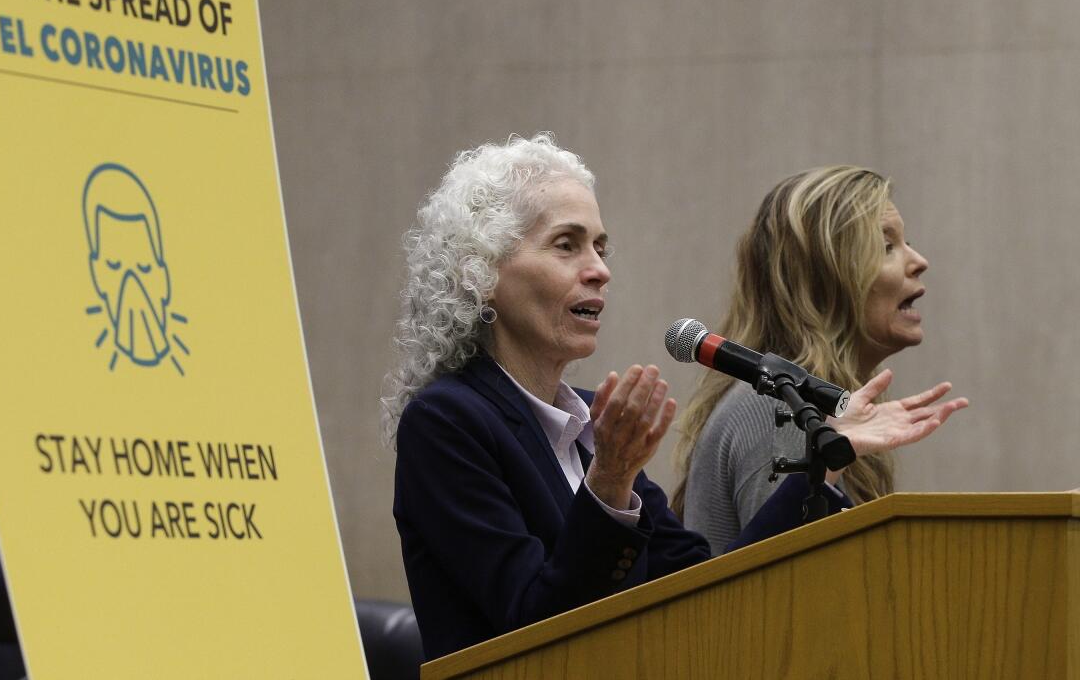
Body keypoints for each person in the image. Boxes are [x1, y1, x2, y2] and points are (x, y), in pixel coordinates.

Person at [385, 137, 961, 660]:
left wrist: (828, 457)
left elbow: (708, 588)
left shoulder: (590, 420)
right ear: (480, 272)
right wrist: (609, 482)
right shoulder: (447, 422)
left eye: (602, 248)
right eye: (567, 245)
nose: (600, 270)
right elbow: (534, 630)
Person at [672, 165, 967, 555]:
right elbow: (783, 595)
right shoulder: (780, 408)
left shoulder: (806, 401)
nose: (919, 260)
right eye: (886, 247)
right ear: (823, 279)